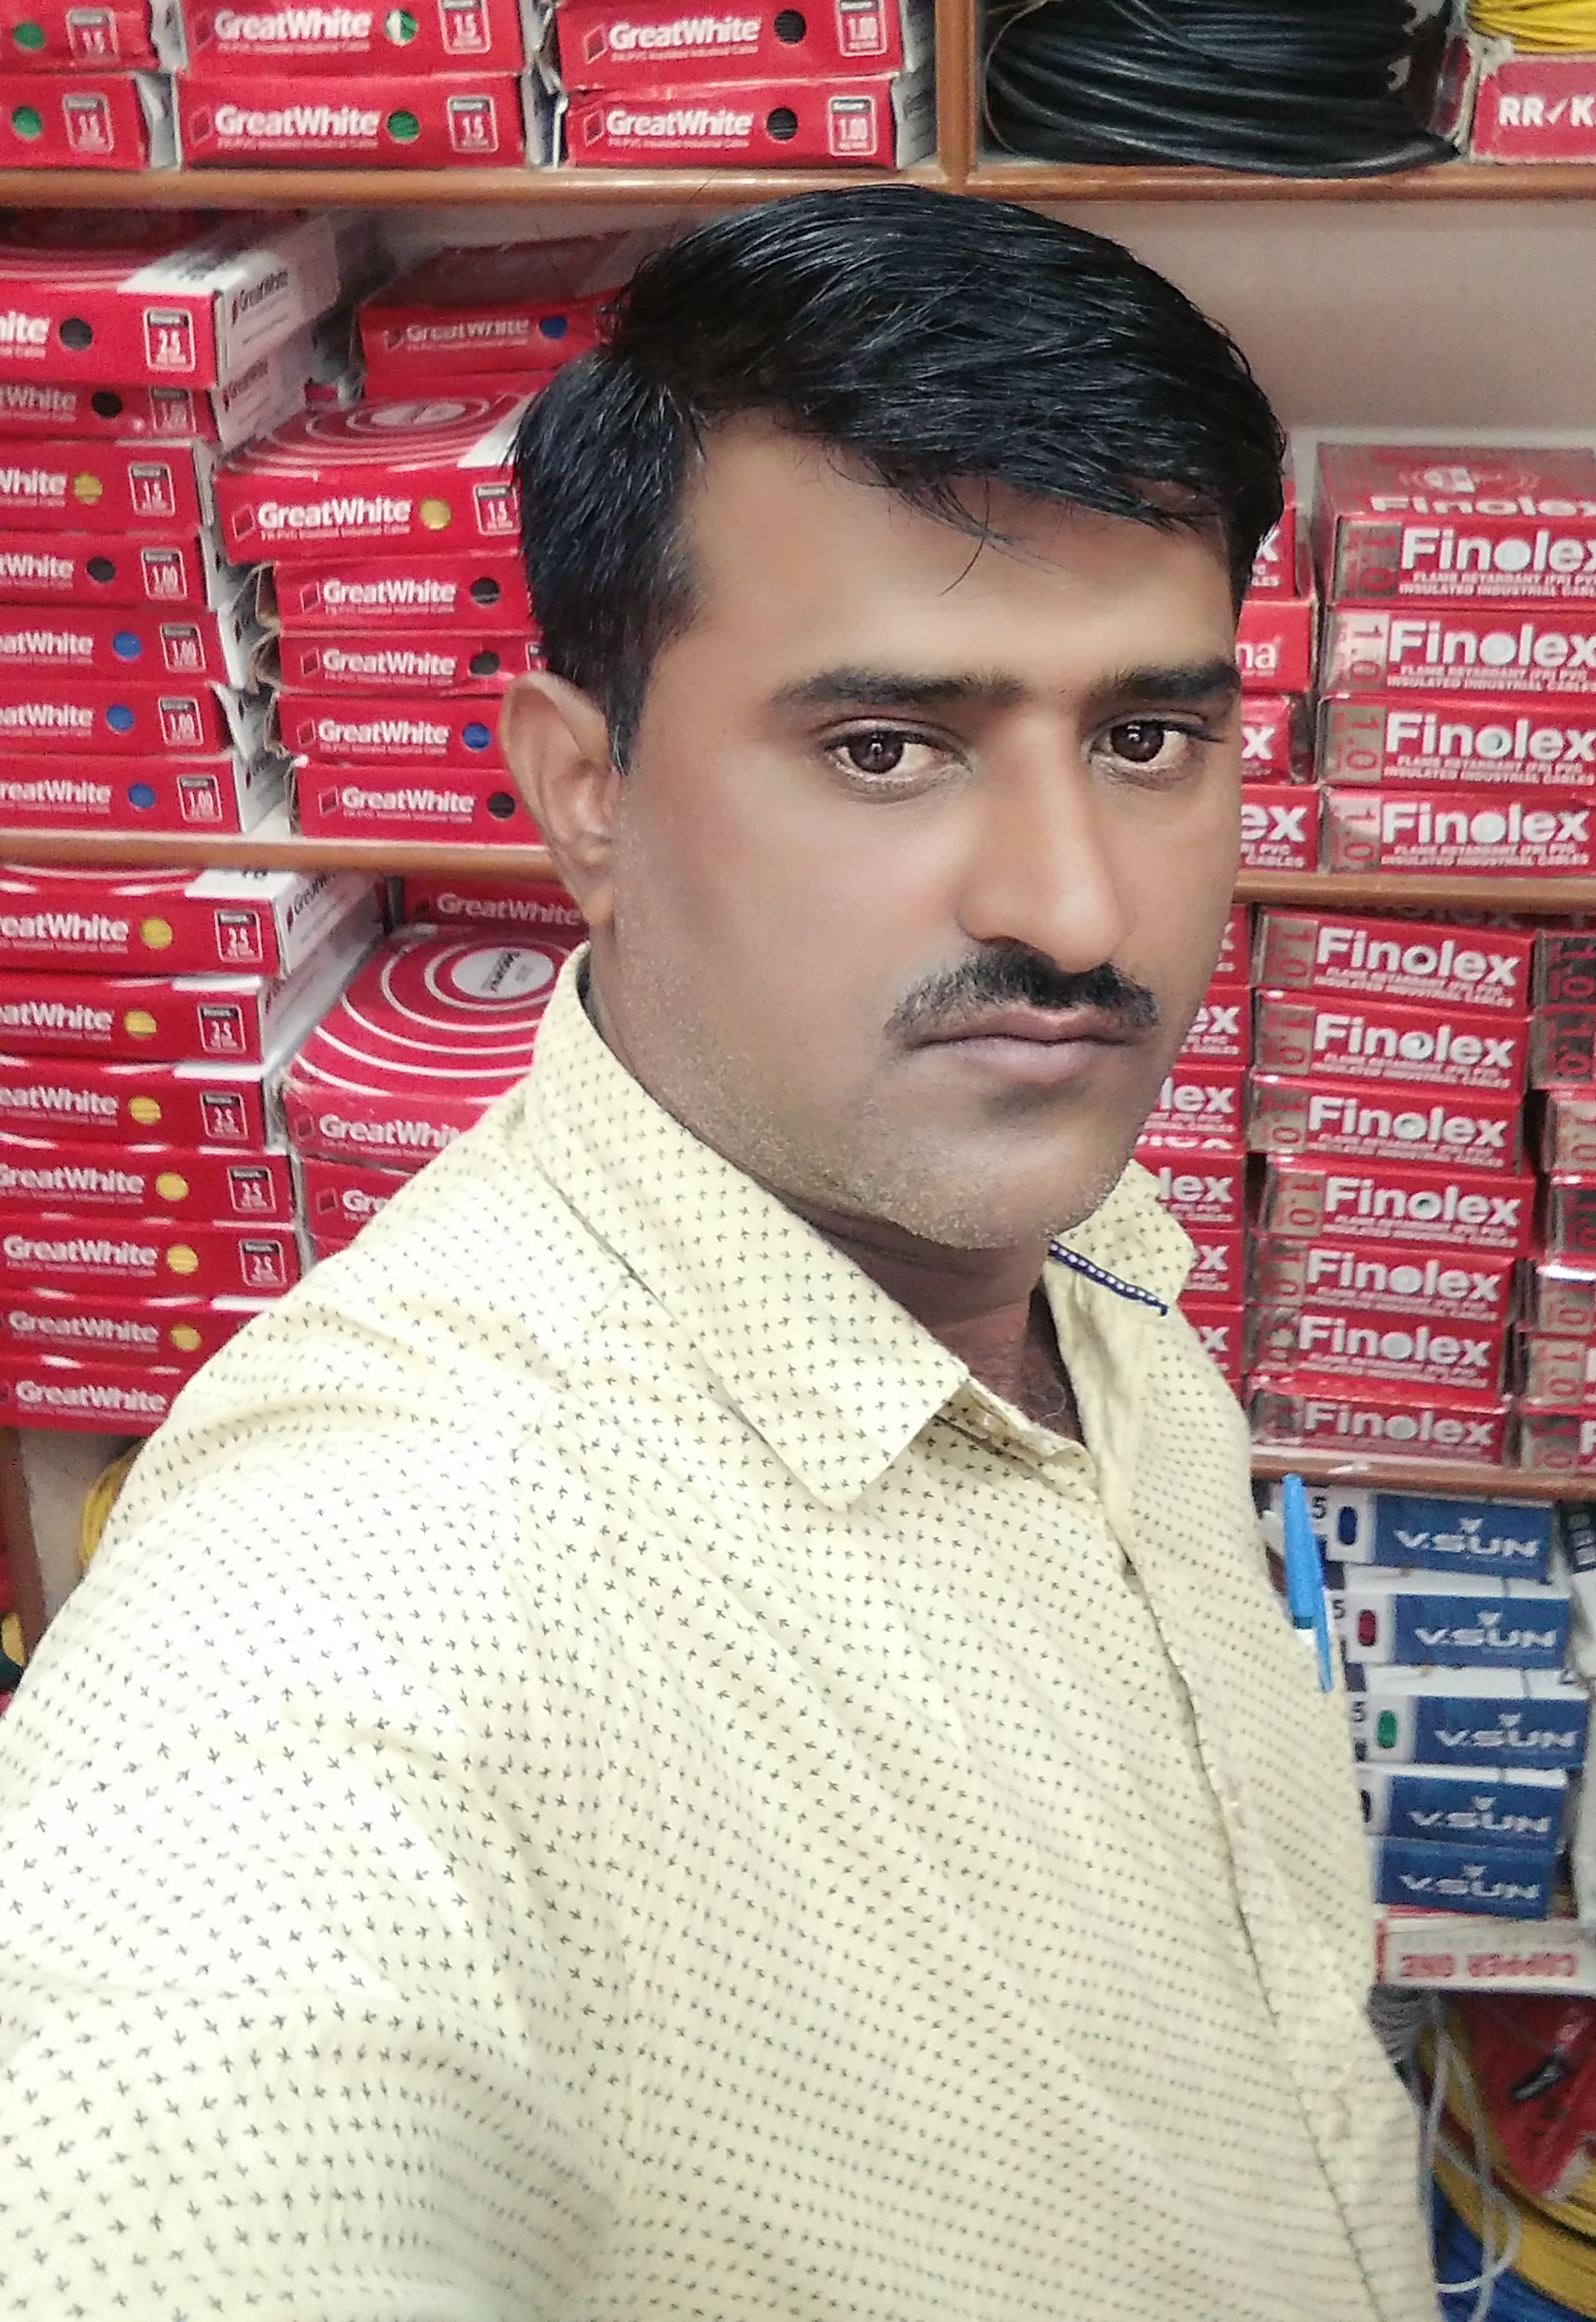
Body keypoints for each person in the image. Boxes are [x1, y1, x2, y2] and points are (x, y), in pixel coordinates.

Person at [0, 189, 1435, 2321]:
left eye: (1146, 739)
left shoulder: (1078, 1253)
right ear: (581, 791)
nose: (1071, 911)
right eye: (884, 749)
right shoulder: (370, 1582)